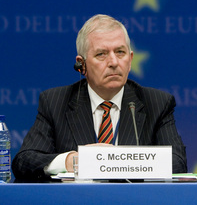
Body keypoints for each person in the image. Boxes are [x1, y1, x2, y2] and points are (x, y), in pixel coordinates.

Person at [12, 14, 187, 180]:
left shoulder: (156, 103)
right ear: (81, 65)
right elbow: (24, 161)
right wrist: (72, 161)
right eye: (101, 54)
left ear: (130, 59)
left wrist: (113, 162)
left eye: (120, 52)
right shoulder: (55, 102)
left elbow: (177, 163)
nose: (113, 62)